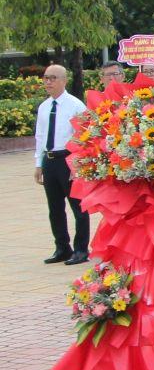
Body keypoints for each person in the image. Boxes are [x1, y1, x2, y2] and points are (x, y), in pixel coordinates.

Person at [34, 64, 89, 265]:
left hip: (68, 160)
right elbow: (40, 136)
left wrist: (78, 165)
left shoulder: (76, 106)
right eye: (46, 78)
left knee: (78, 208)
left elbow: (84, 137)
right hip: (50, 160)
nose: (48, 82)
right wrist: (38, 163)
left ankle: (81, 250)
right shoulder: (44, 106)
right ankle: (62, 248)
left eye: (53, 78)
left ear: (64, 80)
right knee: (55, 208)